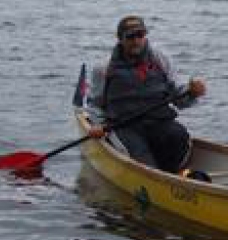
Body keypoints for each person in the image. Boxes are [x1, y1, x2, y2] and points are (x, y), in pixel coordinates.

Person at [88, 15, 207, 174]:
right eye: (130, 36)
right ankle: (155, 173)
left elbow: (178, 97)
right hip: (124, 126)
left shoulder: (160, 59)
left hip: (158, 121)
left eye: (140, 35)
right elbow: (95, 105)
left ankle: (172, 174)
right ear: (120, 39)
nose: (136, 40)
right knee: (141, 160)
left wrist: (192, 93)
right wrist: (97, 125)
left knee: (178, 136)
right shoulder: (103, 69)